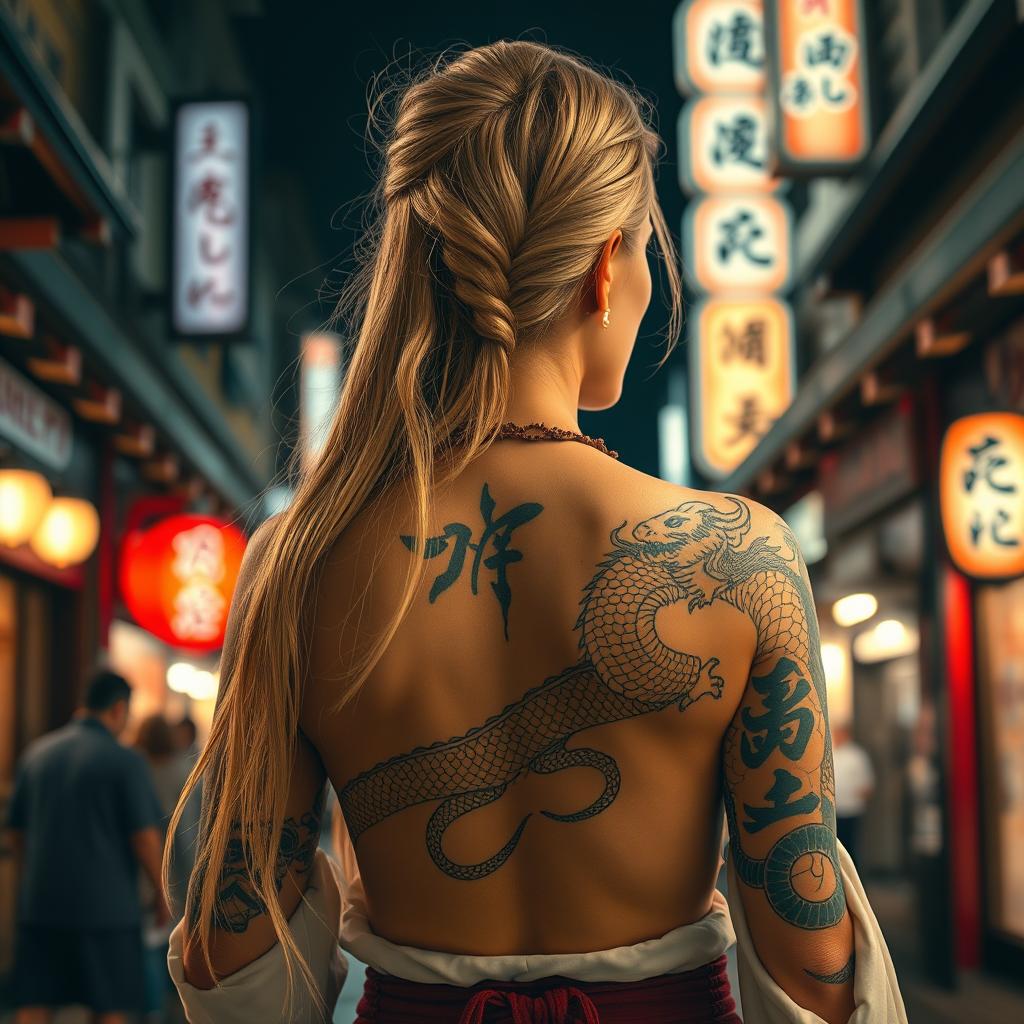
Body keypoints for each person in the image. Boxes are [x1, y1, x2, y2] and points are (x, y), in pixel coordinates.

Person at [167, 40, 906, 1024]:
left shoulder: (296, 559)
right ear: (606, 268)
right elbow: (812, 955)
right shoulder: (737, 558)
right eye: (645, 248)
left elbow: (231, 938)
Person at [6, 669, 169, 1024]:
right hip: (107, 912)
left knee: (34, 1002)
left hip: (41, 906)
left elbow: (16, 834)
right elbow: (144, 837)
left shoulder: (37, 754)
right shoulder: (125, 761)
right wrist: (161, 891)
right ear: (119, 708)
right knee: (110, 1006)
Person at [831, 723, 876, 868]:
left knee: (849, 849)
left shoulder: (857, 756)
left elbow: (867, 785)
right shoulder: (832, 753)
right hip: (833, 811)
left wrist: (856, 798)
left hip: (851, 811)